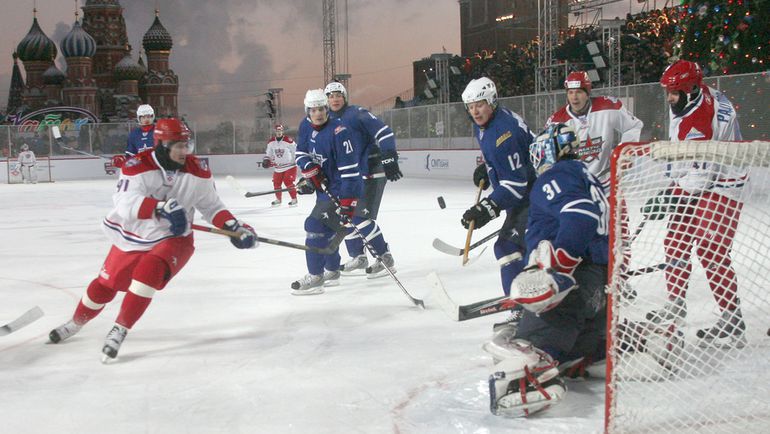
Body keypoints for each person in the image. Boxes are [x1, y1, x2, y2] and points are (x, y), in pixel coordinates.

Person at [48, 118, 257, 362]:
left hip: (174, 238)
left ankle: (120, 329)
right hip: (134, 235)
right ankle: (76, 323)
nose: (184, 151)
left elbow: (211, 206)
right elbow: (124, 204)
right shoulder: (136, 166)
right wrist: (160, 208)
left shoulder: (197, 170)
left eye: (186, 145)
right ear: (160, 144)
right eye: (177, 146)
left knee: (148, 273)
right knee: (104, 286)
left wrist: (233, 227)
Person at [485, 123, 609, 417]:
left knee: (526, 349)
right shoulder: (586, 175)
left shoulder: (555, 176)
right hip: (596, 290)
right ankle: (588, 352)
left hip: (572, 286)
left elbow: (580, 215)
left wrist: (560, 267)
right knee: (572, 340)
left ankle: (538, 376)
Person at [643, 59, 746, 347]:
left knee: (711, 249)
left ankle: (732, 317)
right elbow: (687, 159)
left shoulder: (700, 119)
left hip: (724, 184)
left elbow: (702, 175)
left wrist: (669, 196)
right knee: (675, 241)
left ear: (690, 89)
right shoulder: (692, 98)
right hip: (697, 177)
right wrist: (673, 183)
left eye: (673, 93)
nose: (669, 98)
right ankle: (676, 302)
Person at [460, 77, 536, 331]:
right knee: (521, 250)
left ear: (491, 101)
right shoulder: (488, 124)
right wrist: (489, 169)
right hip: (529, 195)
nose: (474, 111)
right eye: (470, 106)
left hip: (535, 196)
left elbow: (516, 185)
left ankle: (523, 309)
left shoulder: (505, 133)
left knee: (508, 248)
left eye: (479, 104)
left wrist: (487, 209)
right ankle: (528, 305)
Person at [324, 81, 403, 278]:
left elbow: (384, 132)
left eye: (338, 95)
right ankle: (359, 257)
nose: (335, 99)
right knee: (346, 215)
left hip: (371, 171)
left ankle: (385, 257)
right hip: (350, 177)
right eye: (331, 96)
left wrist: (389, 156)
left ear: (345, 97)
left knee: (360, 217)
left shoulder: (357, 114)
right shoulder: (327, 122)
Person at [291, 89, 363, 295]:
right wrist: (308, 170)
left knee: (314, 226)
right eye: (314, 109)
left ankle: (316, 277)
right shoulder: (305, 125)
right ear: (307, 110)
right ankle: (331, 270)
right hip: (324, 190)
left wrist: (348, 203)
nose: (318, 113)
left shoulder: (340, 132)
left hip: (341, 189)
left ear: (327, 109)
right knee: (328, 231)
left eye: (322, 108)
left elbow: (350, 172)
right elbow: (301, 152)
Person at [546, 70, 643, 187]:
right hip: (576, 186)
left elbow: (633, 126)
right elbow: (549, 153)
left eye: (579, 92)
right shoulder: (557, 121)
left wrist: (625, 153)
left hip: (606, 183)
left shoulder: (607, 106)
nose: (574, 97)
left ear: (587, 93)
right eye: (570, 92)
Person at [263, 124, 298, 207]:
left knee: (288, 181)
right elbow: (269, 153)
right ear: (275, 132)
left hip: (290, 166)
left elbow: (295, 151)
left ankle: (294, 199)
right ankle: (278, 200)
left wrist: (296, 160)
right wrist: (266, 159)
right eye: (277, 131)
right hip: (278, 167)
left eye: (280, 131)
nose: (279, 132)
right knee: (276, 183)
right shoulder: (271, 142)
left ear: (282, 131)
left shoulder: (288, 140)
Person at [113, 104, 156, 169]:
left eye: (148, 116)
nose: (146, 119)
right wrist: (122, 160)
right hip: (141, 169)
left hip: (156, 167)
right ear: (139, 118)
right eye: (143, 117)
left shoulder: (158, 131)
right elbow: (130, 155)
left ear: (153, 116)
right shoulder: (134, 134)